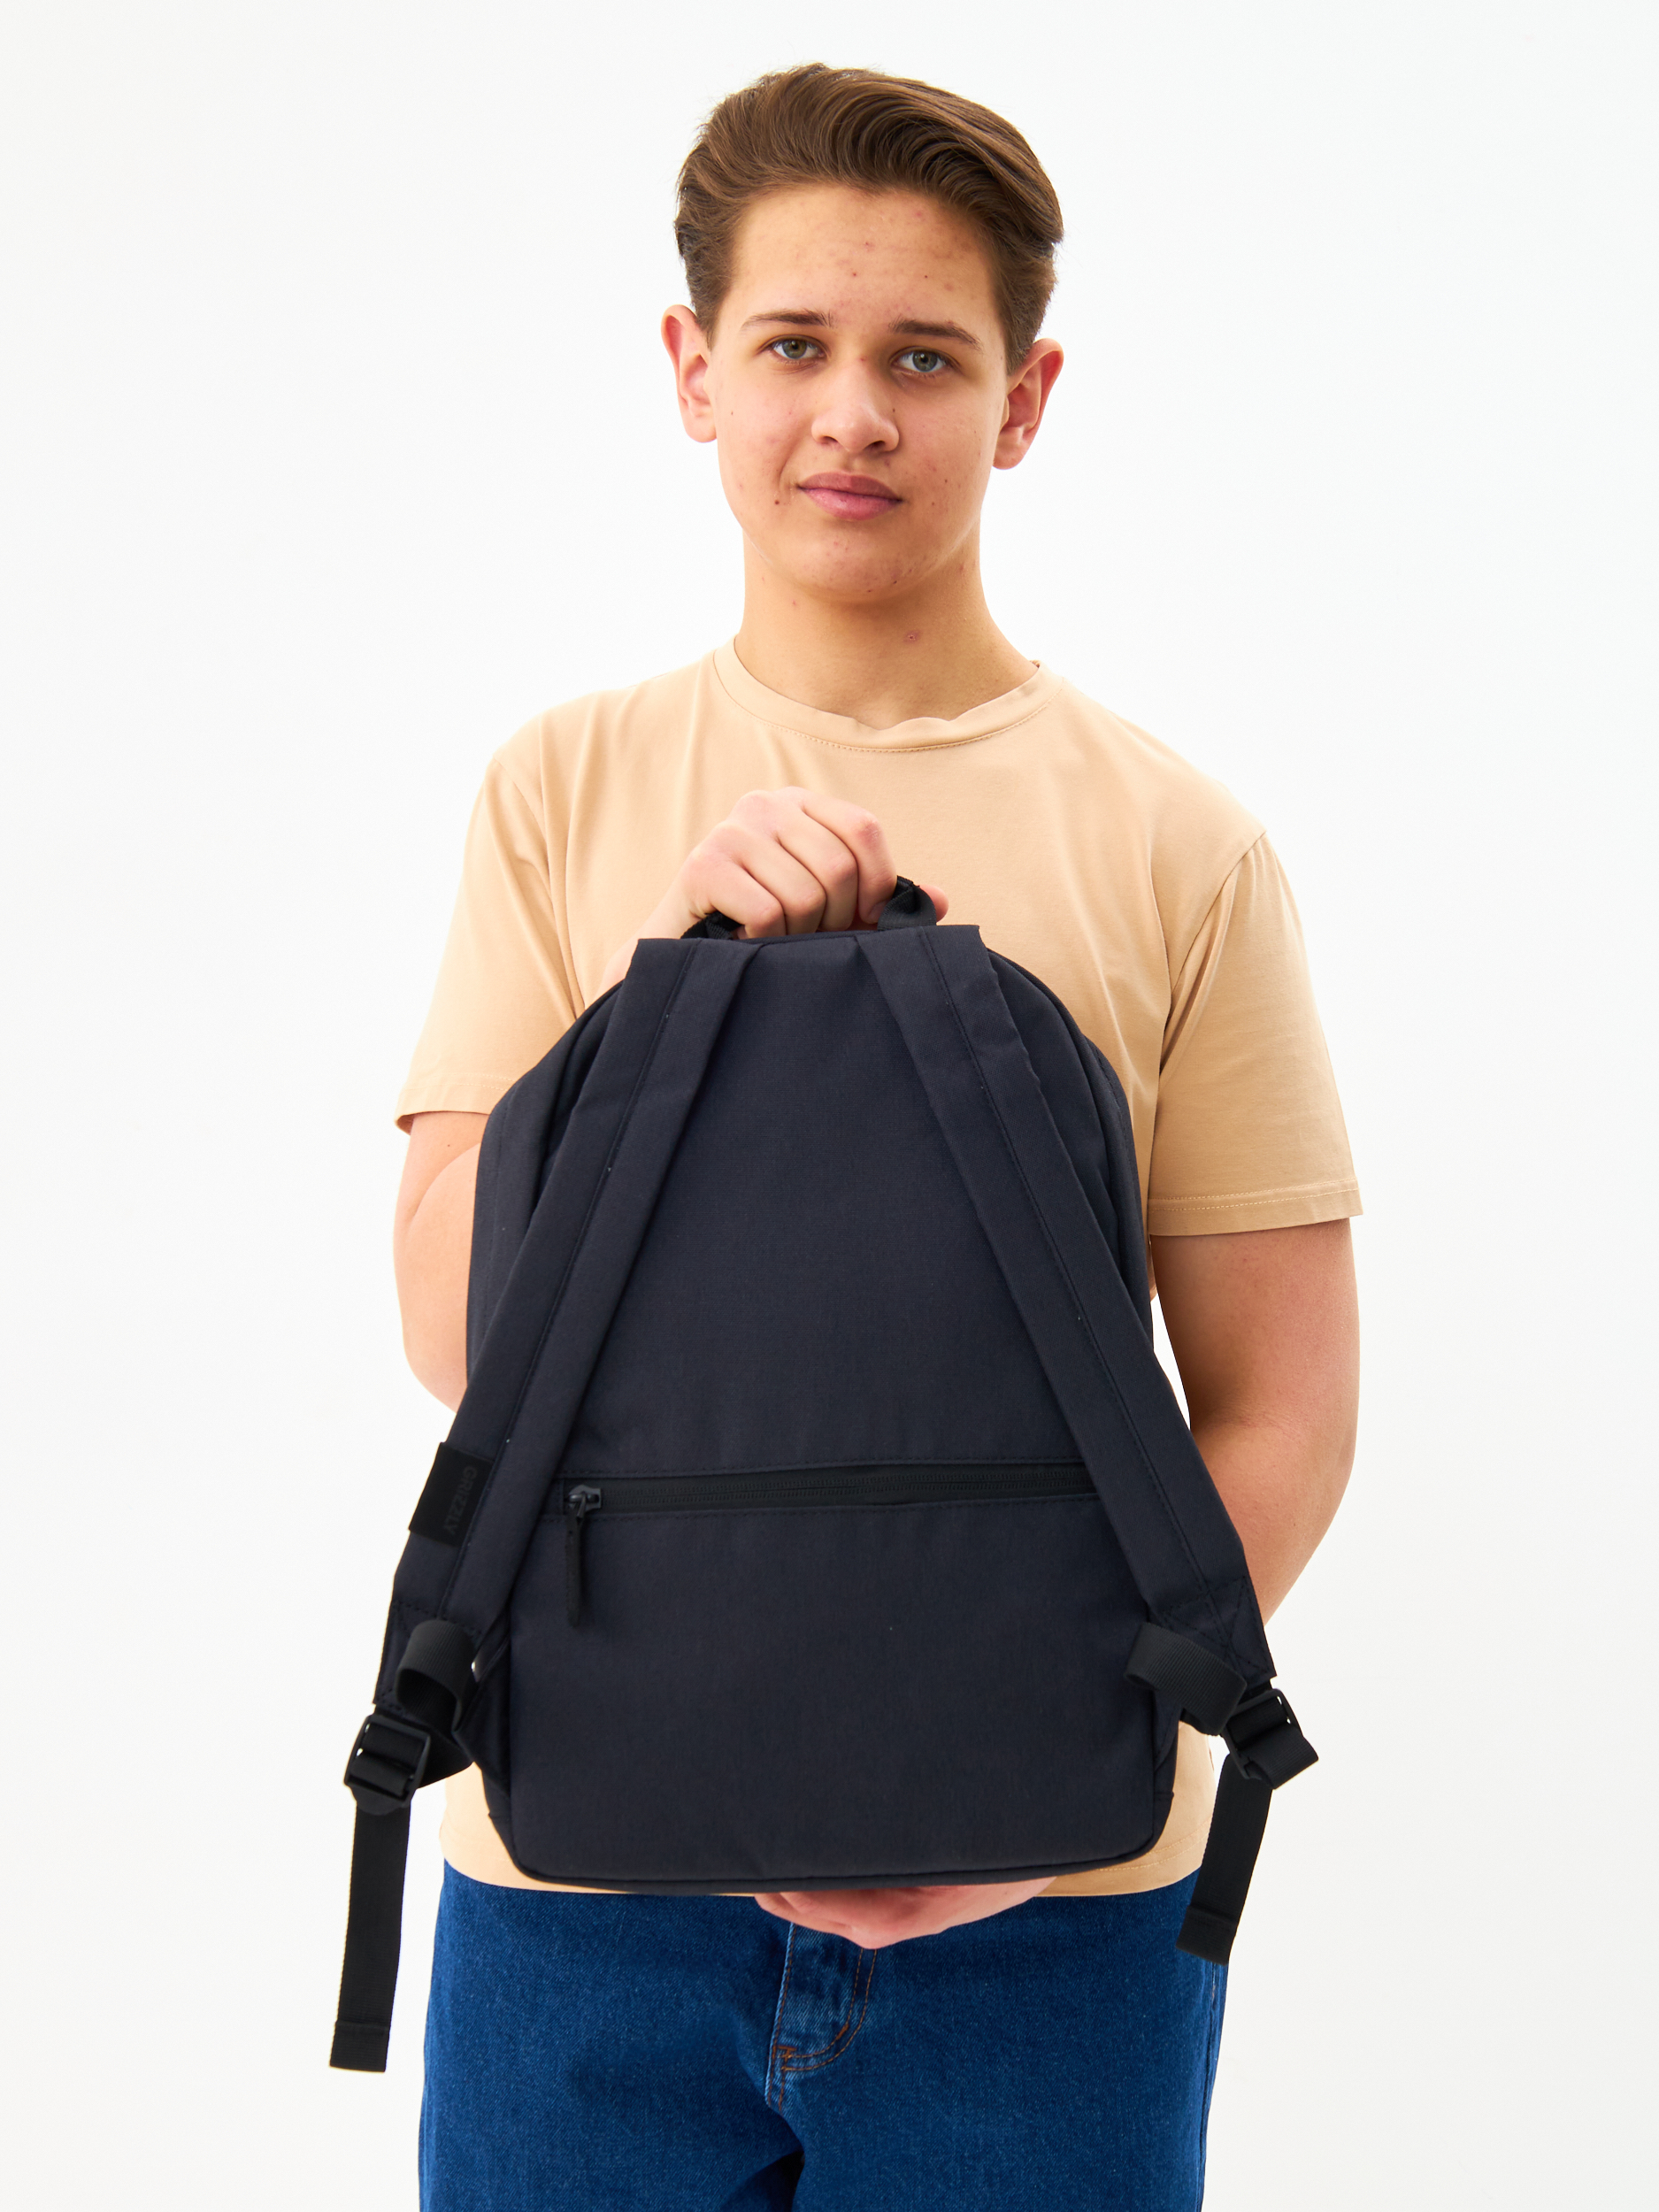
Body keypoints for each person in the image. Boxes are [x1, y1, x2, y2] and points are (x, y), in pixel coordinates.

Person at [393, 62, 1360, 2211]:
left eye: (922, 356)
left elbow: (1282, 1404)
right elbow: (456, 1330)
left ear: (1021, 399)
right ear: (691, 372)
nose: (850, 412)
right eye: (790, 347)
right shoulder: (561, 793)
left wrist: (1016, 1789)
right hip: (581, 1886)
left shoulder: (1175, 842)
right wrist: (668, 998)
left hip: (1049, 1906)